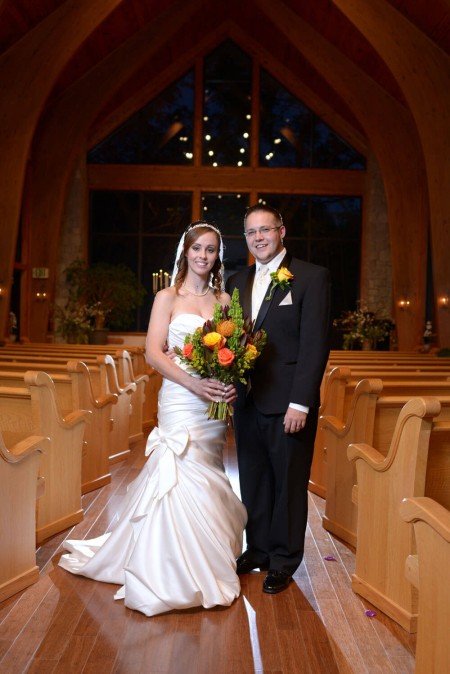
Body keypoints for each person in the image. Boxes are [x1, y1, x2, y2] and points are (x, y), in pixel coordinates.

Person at [59, 221, 247, 617]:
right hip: (181, 398)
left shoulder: (226, 301)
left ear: (218, 257)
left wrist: (229, 385)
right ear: (186, 252)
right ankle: (168, 569)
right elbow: (154, 354)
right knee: (177, 472)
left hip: (213, 404)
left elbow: (234, 355)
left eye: (211, 250)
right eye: (197, 249)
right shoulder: (167, 297)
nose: (203, 256)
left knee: (207, 470)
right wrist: (195, 385)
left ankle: (206, 554)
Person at [226, 204, 331, 594]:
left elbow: (315, 345)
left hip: (289, 403)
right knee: (254, 480)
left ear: (281, 231)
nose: (258, 238)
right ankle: (259, 549)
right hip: (248, 402)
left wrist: (301, 402)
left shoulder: (310, 277)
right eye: (251, 232)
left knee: (288, 483)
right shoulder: (238, 281)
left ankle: (284, 561)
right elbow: (234, 341)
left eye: (265, 230)